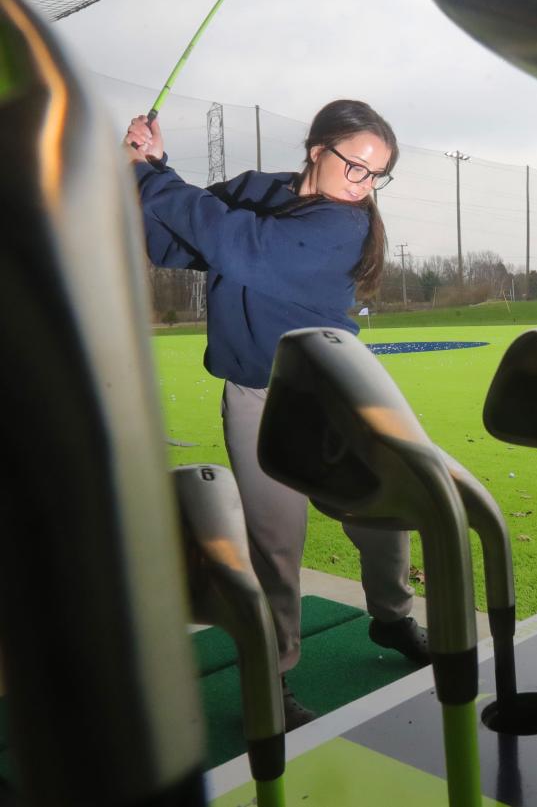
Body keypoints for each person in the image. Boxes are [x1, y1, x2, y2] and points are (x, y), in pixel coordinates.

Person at [125, 99, 428, 729]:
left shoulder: (342, 226)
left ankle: (393, 618)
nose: (364, 185)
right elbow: (174, 238)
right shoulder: (256, 192)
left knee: (382, 518)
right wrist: (141, 170)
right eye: (356, 167)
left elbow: (240, 247)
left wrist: (156, 176)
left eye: (377, 175)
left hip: (332, 390)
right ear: (317, 148)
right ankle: (276, 671)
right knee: (273, 544)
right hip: (256, 396)